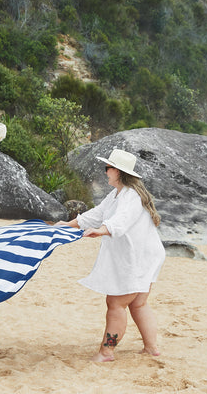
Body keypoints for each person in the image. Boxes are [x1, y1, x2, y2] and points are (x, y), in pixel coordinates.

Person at [58, 149, 165, 362]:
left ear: (117, 171)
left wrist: (102, 230)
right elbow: (95, 214)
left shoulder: (131, 196)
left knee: (116, 303)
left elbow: (122, 220)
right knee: (138, 304)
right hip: (146, 256)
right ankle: (152, 348)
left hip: (140, 259)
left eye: (108, 168)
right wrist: (67, 225)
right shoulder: (117, 193)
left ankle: (107, 352)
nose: (105, 171)